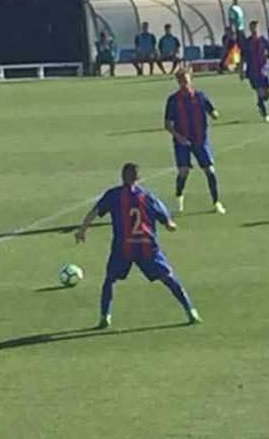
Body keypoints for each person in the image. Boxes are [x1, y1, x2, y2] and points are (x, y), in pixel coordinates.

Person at [74, 162, 202, 329]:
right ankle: (190, 310)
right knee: (168, 278)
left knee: (110, 280)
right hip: (147, 246)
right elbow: (169, 225)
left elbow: (94, 212)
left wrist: (82, 231)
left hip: (123, 247)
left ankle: (105, 316)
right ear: (138, 178)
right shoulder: (148, 197)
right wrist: (171, 225)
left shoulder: (113, 195)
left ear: (122, 177)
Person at [164, 69, 227, 215]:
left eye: (186, 80)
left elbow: (212, 110)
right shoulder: (173, 100)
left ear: (190, 80)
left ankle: (216, 202)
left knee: (210, 171)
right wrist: (178, 136)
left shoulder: (200, 96)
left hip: (200, 140)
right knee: (183, 172)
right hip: (182, 142)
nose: (184, 84)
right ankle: (179, 197)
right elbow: (167, 124)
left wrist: (214, 114)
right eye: (181, 82)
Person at [241, 20, 269, 123]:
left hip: (264, 70)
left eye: (256, 28)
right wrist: (241, 70)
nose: (255, 30)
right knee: (259, 92)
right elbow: (243, 57)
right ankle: (265, 113)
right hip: (253, 71)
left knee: (268, 92)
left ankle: (260, 103)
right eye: (253, 28)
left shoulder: (263, 40)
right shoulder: (247, 43)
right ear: (250, 29)